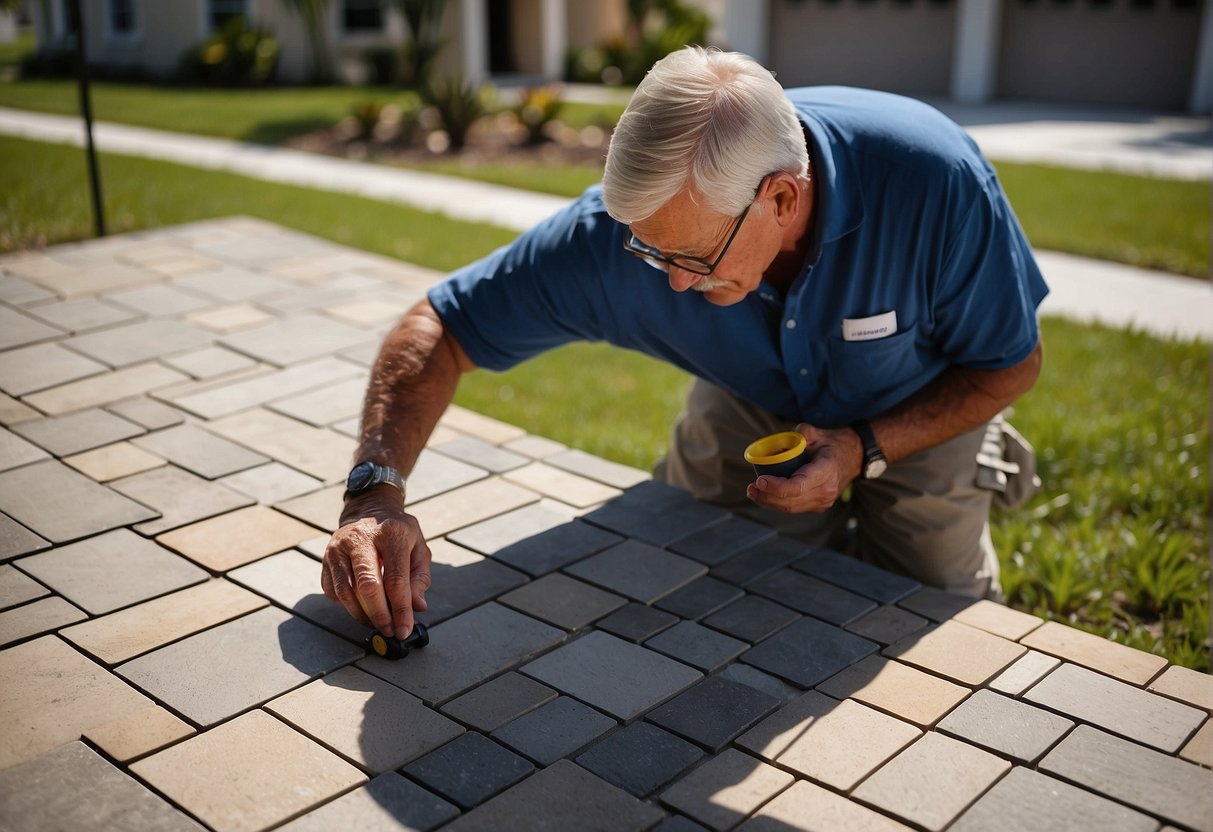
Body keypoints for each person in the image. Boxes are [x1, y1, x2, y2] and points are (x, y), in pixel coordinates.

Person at [322, 46, 1047, 641]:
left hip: (917, 397)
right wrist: (373, 498)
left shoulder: (932, 183)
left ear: (782, 198)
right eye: (650, 252)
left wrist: (864, 446)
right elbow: (437, 327)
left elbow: (1009, 366)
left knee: (940, 620)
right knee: (700, 588)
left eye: (694, 258)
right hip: (752, 397)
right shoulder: (620, 238)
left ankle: (971, 477)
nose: (669, 283)